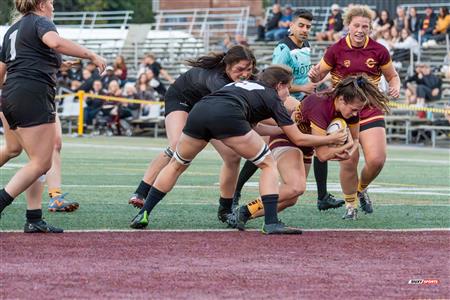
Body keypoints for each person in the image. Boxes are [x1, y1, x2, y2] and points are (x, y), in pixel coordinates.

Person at [129, 65, 349, 234]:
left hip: (201, 111)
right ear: (280, 85)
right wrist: (334, 137)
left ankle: (144, 213)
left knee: (177, 164)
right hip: (227, 115)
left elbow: (255, 126)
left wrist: (281, 131)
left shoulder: (242, 86)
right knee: (267, 164)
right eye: (288, 88)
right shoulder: (272, 97)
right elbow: (298, 138)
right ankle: (271, 223)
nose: (287, 94)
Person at [228, 75, 390, 229]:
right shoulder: (320, 106)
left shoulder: (350, 106)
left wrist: (346, 150)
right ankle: (244, 211)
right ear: (341, 99)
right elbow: (323, 155)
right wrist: (336, 143)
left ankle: (243, 215)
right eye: (354, 110)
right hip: (287, 139)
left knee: (291, 199)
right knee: (295, 187)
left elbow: (355, 140)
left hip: (306, 146)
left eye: (358, 111)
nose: (356, 114)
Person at [0, 0, 106, 232]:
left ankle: (34, 218)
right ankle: (3, 201)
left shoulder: (12, 30)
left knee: (13, 150)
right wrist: (91, 55)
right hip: (33, 95)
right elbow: (54, 42)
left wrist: (57, 65)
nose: (53, 6)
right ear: (40, 5)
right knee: (41, 163)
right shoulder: (40, 21)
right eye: (50, 2)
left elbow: (4, 69)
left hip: (9, 95)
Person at [127, 45, 257, 224]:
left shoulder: (244, 79)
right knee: (177, 147)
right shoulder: (216, 79)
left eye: (249, 69)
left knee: (232, 156)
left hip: (207, 108)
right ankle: (142, 191)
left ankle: (225, 209)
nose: (245, 74)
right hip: (182, 100)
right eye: (239, 70)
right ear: (227, 66)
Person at [232, 8, 344, 212]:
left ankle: (322, 196)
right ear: (290, 26)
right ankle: (236, 192)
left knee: (319, 139)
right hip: (285, 102)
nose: (305, 30)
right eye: (301, 25)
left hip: (304, 101)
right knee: (264, 148)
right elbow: (273, 81)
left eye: (308, 27)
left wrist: (320, 80)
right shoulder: (284, 47)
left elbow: (304, 77)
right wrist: (303, 88)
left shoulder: (306, 45)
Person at [309, 5, 401, 218]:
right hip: (343, 112)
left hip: (370, 109)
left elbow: (392, 76)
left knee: (377, 160)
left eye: (365, 26)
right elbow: (318, 75)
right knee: (349, 159)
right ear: (348, 26)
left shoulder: (379, 50)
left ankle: (361, 189)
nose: (360, 30)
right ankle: (351, 206)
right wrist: (314, 75)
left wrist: (395, 85)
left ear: (370, 28)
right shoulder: (336, 49)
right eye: (356, 25)